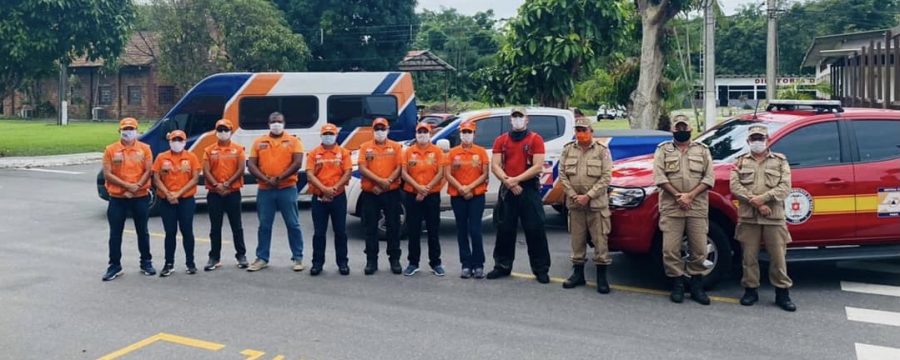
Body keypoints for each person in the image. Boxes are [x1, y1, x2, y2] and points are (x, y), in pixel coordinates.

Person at [729, 125, 796, 312]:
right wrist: (757, 203)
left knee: (778, 258)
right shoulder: (740, 162)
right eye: (754, 138)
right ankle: (751, 290)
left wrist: (765, 199)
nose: (757, 141)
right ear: (748, 141)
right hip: (749, 217)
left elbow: (785, 187)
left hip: (773, 217)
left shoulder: (780, 161)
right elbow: (735, 187)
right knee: (749, 257)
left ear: (767, 139)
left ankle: (782, 293)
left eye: (760, 137)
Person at [652, 115, 714, 304]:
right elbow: (659, 177)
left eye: (684, 128)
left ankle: (696, 285)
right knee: (670, 249)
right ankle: (677, 283)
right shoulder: (663, 150)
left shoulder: (702, 150)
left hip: (696, 206)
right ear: (672, 130)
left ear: (690, 129)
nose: (681, 131)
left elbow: (709, 178)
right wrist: (679, 196)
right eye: (677, 128)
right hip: (672, 207)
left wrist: (690, 196)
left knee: (699, 249)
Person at [486, 108, 552, 284]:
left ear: (527, 120)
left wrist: (516, 180)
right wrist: (508, 181)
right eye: (514, 117)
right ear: (510, 120)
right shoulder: (501, 140)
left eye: (520, 117)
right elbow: (495, 165)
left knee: (535, 228)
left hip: (528, 188)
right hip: (508, 187)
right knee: (505, 229)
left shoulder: (535, 139)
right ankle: (502, 265)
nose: (517, 120)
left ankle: (541, 269)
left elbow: (538, 166)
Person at [558, 117, 613, 293]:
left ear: (591, 131)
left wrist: (588, 196)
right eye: (578, 130)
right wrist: (574, 195)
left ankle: (602, 278)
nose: (581, 134)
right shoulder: (568, 150)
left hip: (596, 205)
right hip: (575, 205)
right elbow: (562, 175)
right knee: (577, 241)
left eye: (584, 130)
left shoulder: (601, 151)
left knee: (600, 241)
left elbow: (606, 177)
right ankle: (578, 274)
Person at [246, 112, 305, 272]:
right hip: (265, 190)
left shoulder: (294, 141)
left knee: (293, 224)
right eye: (273, 121)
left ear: (284, 123)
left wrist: (279, 178)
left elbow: (298, 162)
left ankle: (298, 257)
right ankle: (262, 258)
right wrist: (265, 179)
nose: (276, 124)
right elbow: (251, 164)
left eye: (279, 121)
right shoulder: (259, 142)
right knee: (264, 225)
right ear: (268, 123)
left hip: (287, 188)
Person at [101, 117, 155, 281]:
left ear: (137, 131)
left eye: (131, 129)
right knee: (115, 233)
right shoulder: (110, 150)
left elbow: (148, 171)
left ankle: (146, 262)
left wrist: (136, 187)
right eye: (125, 129)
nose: (128, 132)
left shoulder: (145, 149)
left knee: (142, 231)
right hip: (118, 197)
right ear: (120, 131)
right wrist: (126, 186)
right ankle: (114, 266)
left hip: (139, 196)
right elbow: (107, 174)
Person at [357, 117, 404, 275]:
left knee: (393, 226)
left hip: (391, 192)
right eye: (377, 129)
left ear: (388, 130)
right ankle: (371, 260)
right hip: (371, 193)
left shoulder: (396, 147)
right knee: (370, 228)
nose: (380, 132)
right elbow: (363, 168)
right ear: (372, 130)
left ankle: (394, 259)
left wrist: (388, 182)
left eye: (383, 129)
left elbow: (400, 167)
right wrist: (379, 182)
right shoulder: (365, 147)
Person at [152, 130, 201, 277]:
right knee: (170, 233)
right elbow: (156, 178)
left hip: (185, 199)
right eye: (174, 140)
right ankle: (169, 264)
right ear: (170, 141)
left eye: (180, 140)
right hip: (167, 200)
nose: (177, 142)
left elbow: (194, 179)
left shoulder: (191, 157)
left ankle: (190, 263)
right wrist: (168, 194)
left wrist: (178, 194)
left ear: (185, 142)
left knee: (187, 231)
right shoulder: (161, 157)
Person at [306, 123, 352, 276]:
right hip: (319, 197)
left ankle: (343, 263)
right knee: (319, 233)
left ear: (336, 135)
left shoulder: (343, 153)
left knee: (340, 232)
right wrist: (324, 190)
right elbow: (310, 174)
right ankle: (317, 263)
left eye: (331, 134)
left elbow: (347, 172)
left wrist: (333, 189)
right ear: (321, 136)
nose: (328, 137)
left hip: (338, 196)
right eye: (325, 134)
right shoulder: (313, 153)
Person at [444, 121, 489, 279]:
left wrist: (469, 188)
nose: (466, 135)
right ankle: (465, 264)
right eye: (464, 132)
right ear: (460, 134)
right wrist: (461, 188)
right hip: (458, 195)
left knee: (475, 230)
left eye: (469, 132)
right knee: (461, 230)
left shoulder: (481, 152)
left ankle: (478, 264)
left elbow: (484, 174)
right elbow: (448, 174)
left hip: (476, 195)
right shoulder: (452, 153)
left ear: (474, 134)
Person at [202, 119, 248, 271]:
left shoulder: (238, 149)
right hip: (214, 193)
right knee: (215, 227)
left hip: (232, 192)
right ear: (216, 131)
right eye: (220, 130)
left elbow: (241, 169)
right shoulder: (209, 150)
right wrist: (217, 185)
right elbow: (206, 171)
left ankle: (241, 255)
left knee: (237, 226)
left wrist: (227, 184)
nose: (223, 132)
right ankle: (214, 257)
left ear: (231, 131)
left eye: (226, 129)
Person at [400, 123, 445, 277]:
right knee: (414, 230)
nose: (422, 134)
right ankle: (413, 263)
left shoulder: (437, 151)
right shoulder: (408, 152)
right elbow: (404, 173)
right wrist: (418, 188)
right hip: (413, 195)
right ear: (416, 133)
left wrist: (426, 189)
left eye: (425, 132)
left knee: (433, 230)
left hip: (431, 195)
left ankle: (436, 263)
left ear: (430, 134)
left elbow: (441, 172)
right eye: (420, 132)